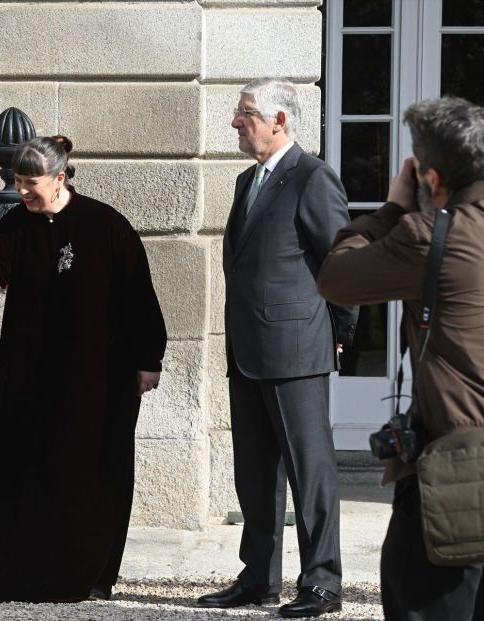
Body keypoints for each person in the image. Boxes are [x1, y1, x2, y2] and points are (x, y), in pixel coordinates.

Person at [0, 136, 167, 603]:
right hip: (31, 370)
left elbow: (138, 297)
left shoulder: (106, 225)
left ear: (60, 177)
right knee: (22, 468)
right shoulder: (16, 223)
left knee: (91, 471)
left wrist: (148, 360)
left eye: (31, 184)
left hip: (97, 376)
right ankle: (15, 575)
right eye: (17, 182)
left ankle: (88, 575)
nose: (24, 192)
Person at [318, 96, 484, 621]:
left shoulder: (432, 235)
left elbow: (336, 278)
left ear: (430, 178)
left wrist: (392, 208)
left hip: (458, 476)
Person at [196, 78, 358, 618]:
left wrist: (337, 338)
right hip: (247, 351)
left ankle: (321, 583)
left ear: (279, 121)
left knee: (310, 471)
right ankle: (258, 578)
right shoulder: (249, 180)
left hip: (297, 350)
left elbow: (343, 266)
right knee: (254, 472)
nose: (236, 122)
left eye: (245, 113)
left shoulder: (312, 177)